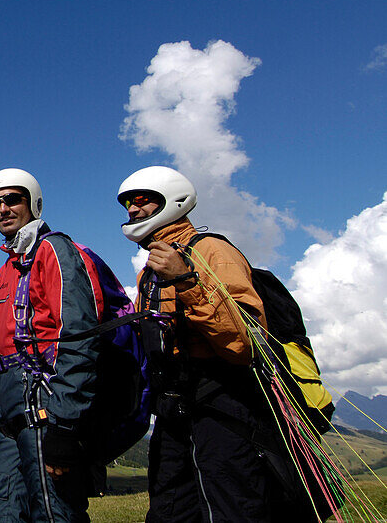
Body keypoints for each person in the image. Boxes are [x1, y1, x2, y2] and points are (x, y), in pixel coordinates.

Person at [117, 165, 276, 523]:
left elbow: (246, 342)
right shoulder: (149, 272)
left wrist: (186, 281)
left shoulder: (213, 251)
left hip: (222, 405)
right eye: (127, 203)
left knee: (231, 509)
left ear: (174, 200)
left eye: (143, 200)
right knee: (168, 511)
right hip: (173, 411)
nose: (132, 210)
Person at [0, 168, 104, 523]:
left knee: (55, 514)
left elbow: (80, 337)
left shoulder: (54, 251)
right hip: (11, 414)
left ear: (32, 202)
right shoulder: (10, 264)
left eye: (12, 199)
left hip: (47, 408)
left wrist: (64, 429)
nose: (2, 208)